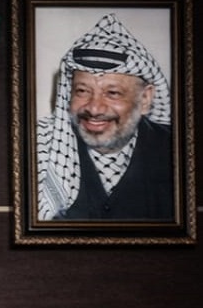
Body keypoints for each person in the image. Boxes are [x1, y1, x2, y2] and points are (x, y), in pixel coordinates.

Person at [36, 13, 173, 221]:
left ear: (145, 99)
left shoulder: (176, 150)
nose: (94, 108)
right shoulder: (40, 146)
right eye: (82, 91)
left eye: (112, 93)